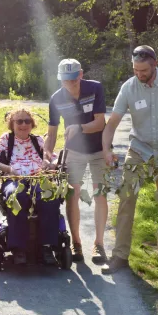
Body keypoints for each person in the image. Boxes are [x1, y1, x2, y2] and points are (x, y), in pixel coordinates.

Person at [101, 46, 158, 274]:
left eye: (143, 70)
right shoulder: (129, 87)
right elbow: (112, 123)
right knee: (126, 198)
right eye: (135, 70)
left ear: (155, 65)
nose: (139, 74)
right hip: (138, 150)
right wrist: (106, 149)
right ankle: (120, 256)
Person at [44, 59, 109, 265]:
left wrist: (79, 128)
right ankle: (76, 243)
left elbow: (100, 123)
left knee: (100, 194)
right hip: (73, 151)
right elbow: (51, 133)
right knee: (72, 194)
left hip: (99, 149)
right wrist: (47, 154)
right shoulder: (56, 99)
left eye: (73, 79)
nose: (70, 84)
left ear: (81, 74)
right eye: (65, 80)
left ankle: (99, 244)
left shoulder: (95, 88)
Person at [0, 109, 58, 265]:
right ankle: (18, 248)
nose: (23, 124)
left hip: (38, 179)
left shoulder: (38, 140)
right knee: (18, 197)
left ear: (32, 124)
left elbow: (54, 159)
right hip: (14, 180)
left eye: (27, 121)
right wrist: (9, 169)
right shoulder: (6, 139)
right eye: (19, 121)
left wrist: (51, 165)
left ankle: (46, 247)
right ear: (12, 124)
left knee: (50, 197)